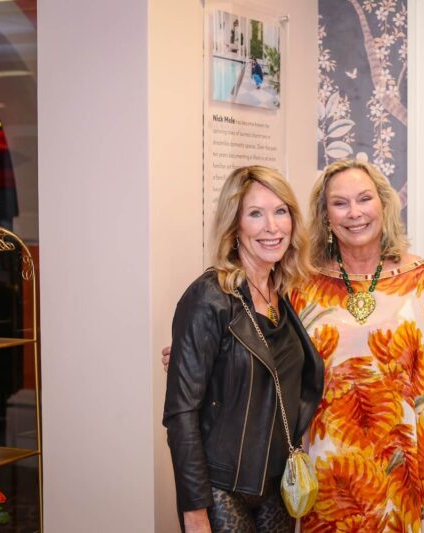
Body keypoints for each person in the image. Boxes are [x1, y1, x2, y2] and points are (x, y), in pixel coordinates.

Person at [291, 159, 424, 532]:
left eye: (364, 199)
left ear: (383, 204)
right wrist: (207, 358)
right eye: (340, 203)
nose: (355, 213)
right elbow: (272, 364)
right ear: (325, 215)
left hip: (404, 473)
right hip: (328, 472)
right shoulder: (301, 285)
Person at [163, 165, 324, 533]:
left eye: (280, 211)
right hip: (221, 489)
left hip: (275, 486)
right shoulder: (209, 297)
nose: (272, 227)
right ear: (235, 226)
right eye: (256, 214)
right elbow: (181, 412)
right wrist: (194, 512)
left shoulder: (279, 295)